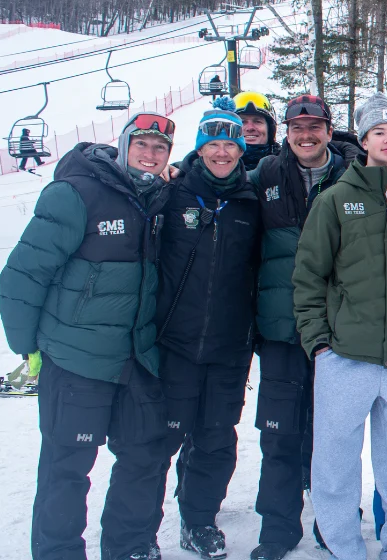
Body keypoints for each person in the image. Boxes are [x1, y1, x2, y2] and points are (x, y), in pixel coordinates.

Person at [0, 112, 177, 560]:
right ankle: (58, 551)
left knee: (144, 456)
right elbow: (23, 274)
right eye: (142, 144)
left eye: (160, 147)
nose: (150, 153)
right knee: (67, 466)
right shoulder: (76, 194)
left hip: (136, 358)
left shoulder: (159, 198)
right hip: (76, 359)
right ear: (123, 145)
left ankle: (130, 546)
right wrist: (27, 345)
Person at [292, 92, 387, 560]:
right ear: (363, 141)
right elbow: (309, 276)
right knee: (335, 460)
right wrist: (319, 344)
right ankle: (342, 545)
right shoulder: (336, 199)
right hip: (345, 355)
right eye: (379, 132)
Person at [249, 94, 360, 560]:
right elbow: (219, 184)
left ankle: (335, 525)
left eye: (315, 126)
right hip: (281, 328)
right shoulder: (265, 176)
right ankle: (277, 528)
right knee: (279, 433)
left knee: (335, 435)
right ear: (287, 134)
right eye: (298, 127)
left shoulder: (356, 175)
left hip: (338, 331)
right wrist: (183, 167)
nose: (307, 135)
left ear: (329, 131)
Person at [150, 102, 260, 559]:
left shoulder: (250, 201)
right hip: (174, 343)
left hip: (229, 347)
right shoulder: (171, 193)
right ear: (199, 149)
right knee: (158, 441)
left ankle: (199, 521)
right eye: (212, 144)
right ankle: (140, 531)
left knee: (215, 440)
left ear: (240, 151)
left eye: (230, 145)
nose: (221, 152)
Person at [234, 91, 280, 171]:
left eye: (257, 121)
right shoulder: (215, 165)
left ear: (270, 129)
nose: (250, 128)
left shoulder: (288, 165)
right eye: (242, 122)